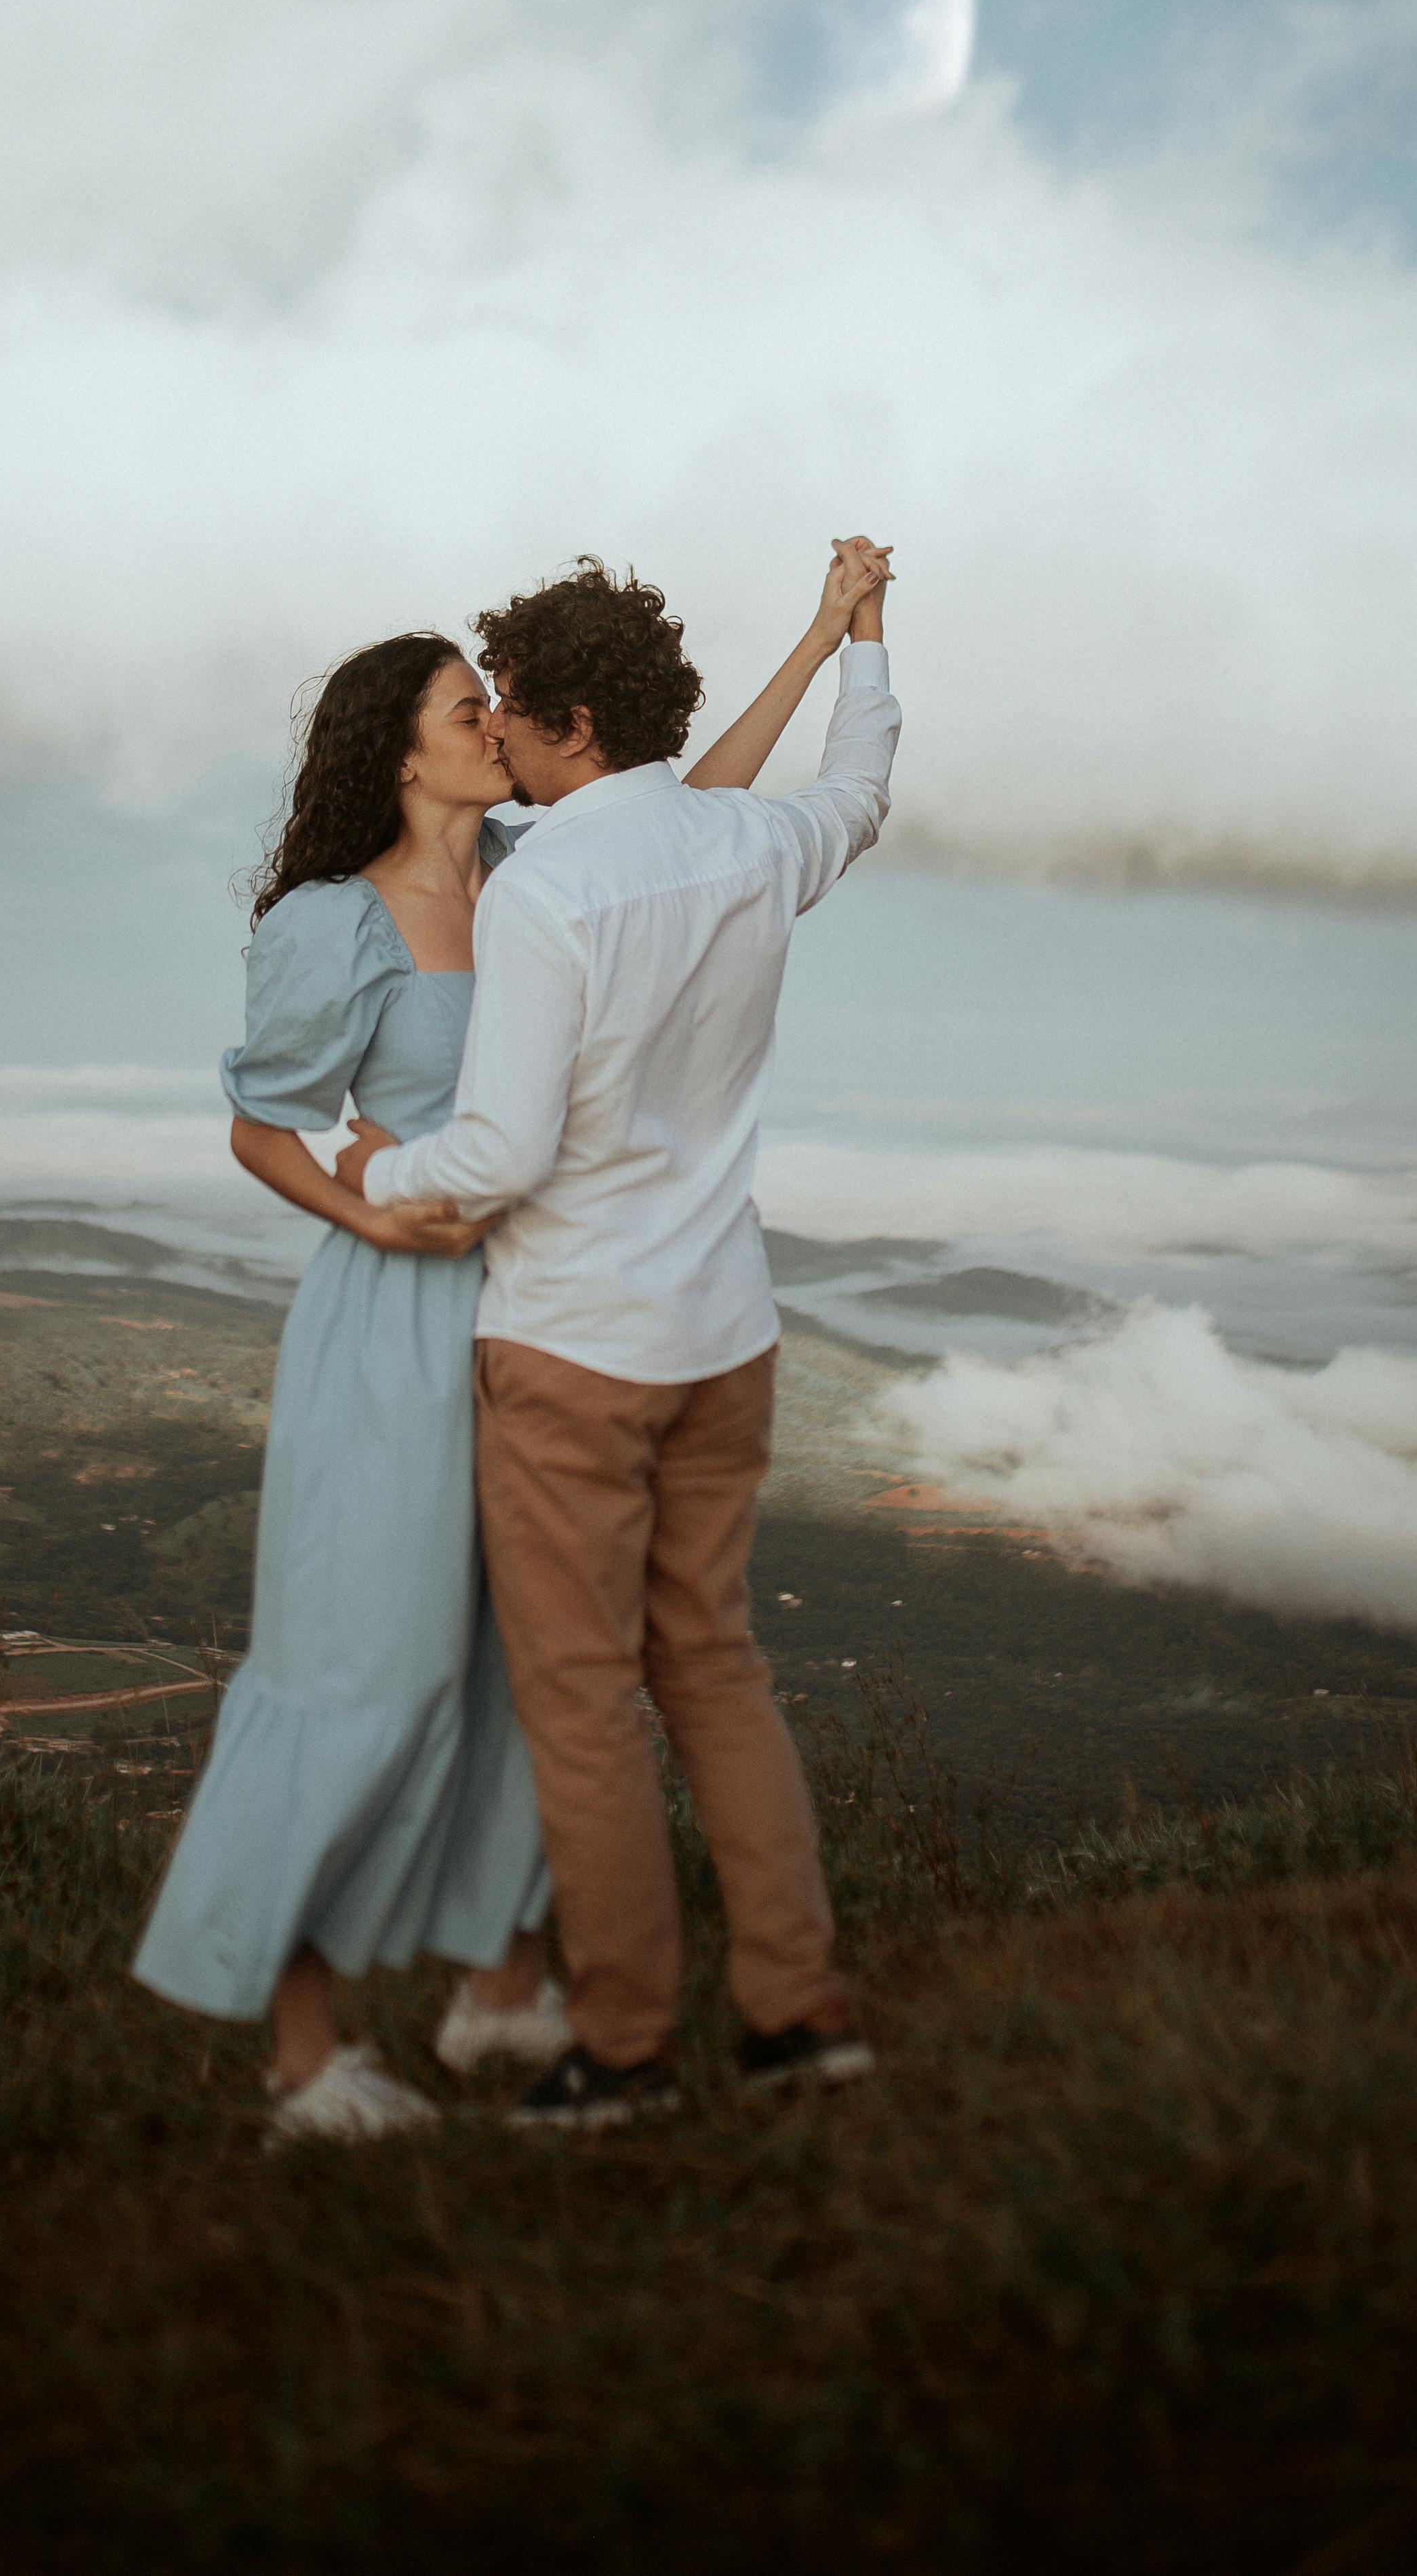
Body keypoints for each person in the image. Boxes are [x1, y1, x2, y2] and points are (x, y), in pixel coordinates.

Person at [132, 540, 890, 2144]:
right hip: (401, 1318)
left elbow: (684, 805)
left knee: (510, 1679)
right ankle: (300, 2050)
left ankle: (502, 1988)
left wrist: (817, 637)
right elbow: (261, 1128)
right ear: (397, 751)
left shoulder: (537, 872)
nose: (490, 720)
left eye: (497, 703)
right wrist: (373, 1216)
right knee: (362, 1671)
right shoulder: (334, 924)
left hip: (532, 1307)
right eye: (460, 706)